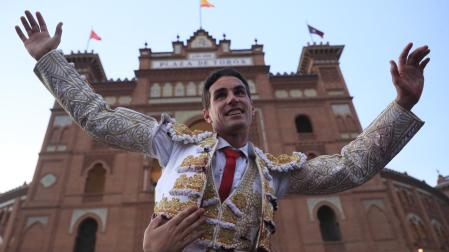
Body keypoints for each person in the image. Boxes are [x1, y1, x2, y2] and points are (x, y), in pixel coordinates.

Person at [16, 10, 429, 252]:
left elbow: (349, 168)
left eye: (239, 93)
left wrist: (401, 106)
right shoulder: (172, 144)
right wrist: (51, 60)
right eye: (220, 96)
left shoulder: (274, 172)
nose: (231, 98)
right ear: (207, 113)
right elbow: (98, 118)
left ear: (252, 107)